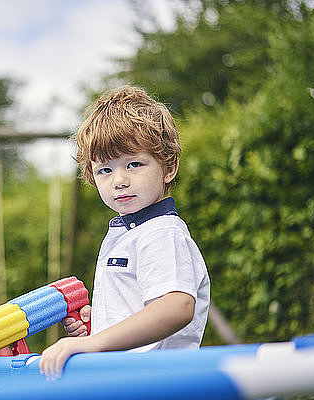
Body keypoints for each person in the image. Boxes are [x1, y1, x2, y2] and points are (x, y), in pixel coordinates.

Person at [39, 85, 210, 380]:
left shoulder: (161, 232)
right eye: (105, 170)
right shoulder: (127, 233)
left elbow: (176, 306)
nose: (120, 180)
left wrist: (95, 343)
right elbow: (139, 315)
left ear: (168, 168)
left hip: (156, 385)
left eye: (134, 164)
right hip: (129, 381)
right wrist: (100, 328)